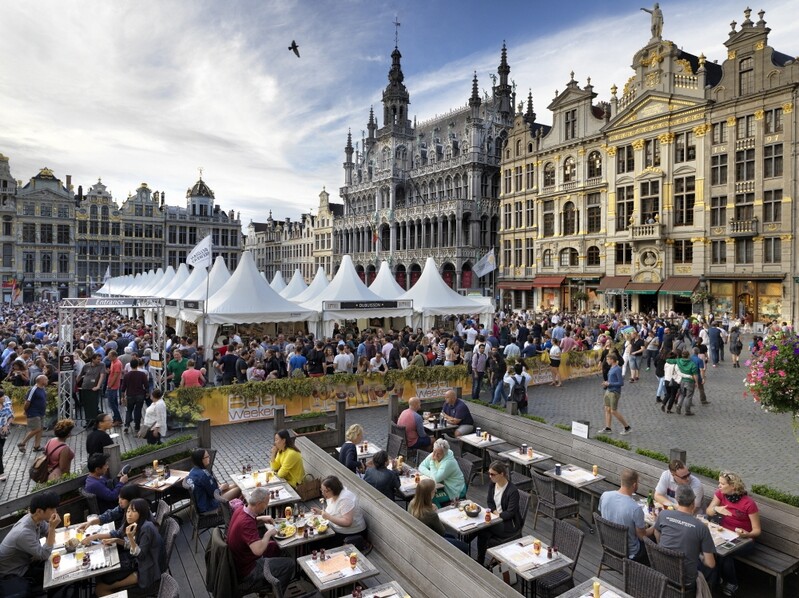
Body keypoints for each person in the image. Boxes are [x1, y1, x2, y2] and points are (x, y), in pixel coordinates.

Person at [227, 486, 296, 595]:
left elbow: (247, 520)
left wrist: (260, 519)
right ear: (259, 504)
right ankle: (276, 594)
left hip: (239, 560)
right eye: (266, 503)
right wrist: (268, 533)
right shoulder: (247, 524)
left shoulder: (241, 510)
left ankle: (272, 582)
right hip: (248, 571)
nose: (267, 506)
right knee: (290, 564)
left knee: (275, 546)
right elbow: (258, 551)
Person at [96, 498, 165, 597]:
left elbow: (141, 555)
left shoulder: (147, 528)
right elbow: (135, 546)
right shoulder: (140, 524)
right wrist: (116, 540)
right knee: (104, 578)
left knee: (100, 588)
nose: (129, 514)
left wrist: (130, 537)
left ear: (141, 512)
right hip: (141, 564)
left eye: (134, 511)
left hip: (147, 572)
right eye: (128, 511)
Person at [706, 472, 760, 597]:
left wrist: (746, 534)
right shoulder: (720, 494)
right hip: (725, 534)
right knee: (709, 545)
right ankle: (716, 578)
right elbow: (708, 511)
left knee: (724, 553)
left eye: (722, 484)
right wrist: (716, 509)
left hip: (745, 540)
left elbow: (757, 530)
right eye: (719, 483)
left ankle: (731, 583)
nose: (719, 486)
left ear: (733, 486)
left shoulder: (749, 504)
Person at [654, 485, 716, 592]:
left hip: (662, 571)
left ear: (676, 499)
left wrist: (663, 548)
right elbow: (710, 564)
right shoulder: (701, 527)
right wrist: (700, 556)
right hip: (686, 581)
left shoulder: (663, 514)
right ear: (693, 502)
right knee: (714, 569)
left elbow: (656, 533)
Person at [0, 490, 60, 597]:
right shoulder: (24, 532)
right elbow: (44, 554)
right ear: (39, 511)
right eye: (52, 509)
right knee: (56, 575)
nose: (55, 512)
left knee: (56, 565)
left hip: (27, 563)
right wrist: (52, 528)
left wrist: (51, 529)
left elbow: (47, 532)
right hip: (14, 573)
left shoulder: (36, 519)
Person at [598, 468, 654, 563]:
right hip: (630, 553)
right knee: (654, 540)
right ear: (635, 485)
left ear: (621, 481)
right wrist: (655, 525)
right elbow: (642, 537)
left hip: (609, 544)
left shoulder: (605, 496)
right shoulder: (635, 509)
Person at [476, 461, 522, 566]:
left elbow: (510, 513)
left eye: (493, 474)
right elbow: (490, 502)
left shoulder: (512, 491)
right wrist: (494, 511)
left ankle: (480, 561)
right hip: (495, 519)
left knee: (482, 529)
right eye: (489, 473)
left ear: (501, 474)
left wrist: (498, 515)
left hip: (509, 524)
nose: (490, 476)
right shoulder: (492, 485)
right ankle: (480, 561)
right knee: (481, 530)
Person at [408, 477, 469, 553]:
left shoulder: (412, 504)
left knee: (452, 537)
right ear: (429, 495)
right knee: (464, 547)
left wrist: (430, 506)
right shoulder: (431, 514)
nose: (436, 491)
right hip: (432, 542)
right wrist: (435, 512)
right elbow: (442, 532)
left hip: (418, 536)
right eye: (434, 491)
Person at [311, 476, 371, 552]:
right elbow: (333, 512)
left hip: (351, 533)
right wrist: (320, 512)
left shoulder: (345, 499)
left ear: (333, 490)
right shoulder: (331, 496)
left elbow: (347, 522)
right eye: (322, 490)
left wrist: (328, 517)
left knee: (317, 545)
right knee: (313, 540)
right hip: (335, 529)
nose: (323, 493)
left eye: (325, 491)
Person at [186, 449, 241, 514]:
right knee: (239, 489)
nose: (209, 457)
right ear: (201, 460)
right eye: (207, 456)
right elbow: (214, 494)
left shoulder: (192, 471)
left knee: (237, 485)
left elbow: (210, 488)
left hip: (203, 501)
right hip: (209, 505)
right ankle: (238, 511)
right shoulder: (203, 475)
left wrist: (220, 487)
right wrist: (221, 488)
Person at [418, 438, 465, 507]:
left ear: (444, 453)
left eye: (439, 454)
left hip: (455, 489)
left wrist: (432, 462)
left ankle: (438, 512)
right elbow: (421, 466)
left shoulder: (449, 462)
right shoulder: (434, 453)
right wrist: (432, 475)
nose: (435, 455)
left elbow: (436, 479)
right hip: (443, 485)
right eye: (434, 451)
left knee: (431, 496)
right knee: (425, 493)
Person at [600, 353, 631, 435]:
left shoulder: (617, 369)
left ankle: (627, 427)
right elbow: (612, 380)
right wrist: (606, 383)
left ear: (612, 360)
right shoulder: (611, 368)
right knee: (607, 409)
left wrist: (609, 384)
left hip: (614, 392)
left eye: (608, 359)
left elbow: (621, 383)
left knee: (613, 411)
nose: (606, 361)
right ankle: (608, 428)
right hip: (608, 391)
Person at [17, 375, 48, 454]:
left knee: (40, 429)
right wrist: (26, 411)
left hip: (41, 412)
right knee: (36, 429)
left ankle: (37, 446)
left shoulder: (43, 388)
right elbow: (27, 401)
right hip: (33, 412)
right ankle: (22, 443)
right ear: (41, 380)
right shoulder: (33, 389)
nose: (47, 381)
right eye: (46, 379)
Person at [121, 357, 149, 434]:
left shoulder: (127, 375)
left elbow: (123, 388)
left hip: (130, 395)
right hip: (140, 395)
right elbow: (146, 385)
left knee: (129, 410)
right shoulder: (142, 374)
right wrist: (147, 393)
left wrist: (122, 397)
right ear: (137, 365)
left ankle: (127, 425)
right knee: (138, 410)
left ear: (130, 365)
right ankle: (137, 426)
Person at [79, 351, 106, 423]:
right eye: (98, 359)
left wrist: (98, 386)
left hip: (94, 388)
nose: (99, 361)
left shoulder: (102, 365)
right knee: (86, 405)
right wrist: (75, 384)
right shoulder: (86, 366)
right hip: (85, 388)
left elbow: (102, 376)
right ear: (93, 359)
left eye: (100, 359)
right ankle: (88, 421)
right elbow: (80, 375)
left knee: (94, 405)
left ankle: (94, 421)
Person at [105, 349, 124, 426]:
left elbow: (116, 376)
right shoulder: (113, 362)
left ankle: (118, 419)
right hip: (112, 385)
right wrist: (109, 371)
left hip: (113, 386)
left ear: (114, 356)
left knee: (112, 403)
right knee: (114, 403)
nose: (108, 358)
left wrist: (110, 385)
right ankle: (116, 418)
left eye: (110, 357)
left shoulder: (117, 363)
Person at [0, 389, 14, 482]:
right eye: (2, 397)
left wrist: (7, 425)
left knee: (1, 450)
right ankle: (1, 473)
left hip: (3, 431)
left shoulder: (7, 401)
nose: (3, 398)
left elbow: (11, 415)